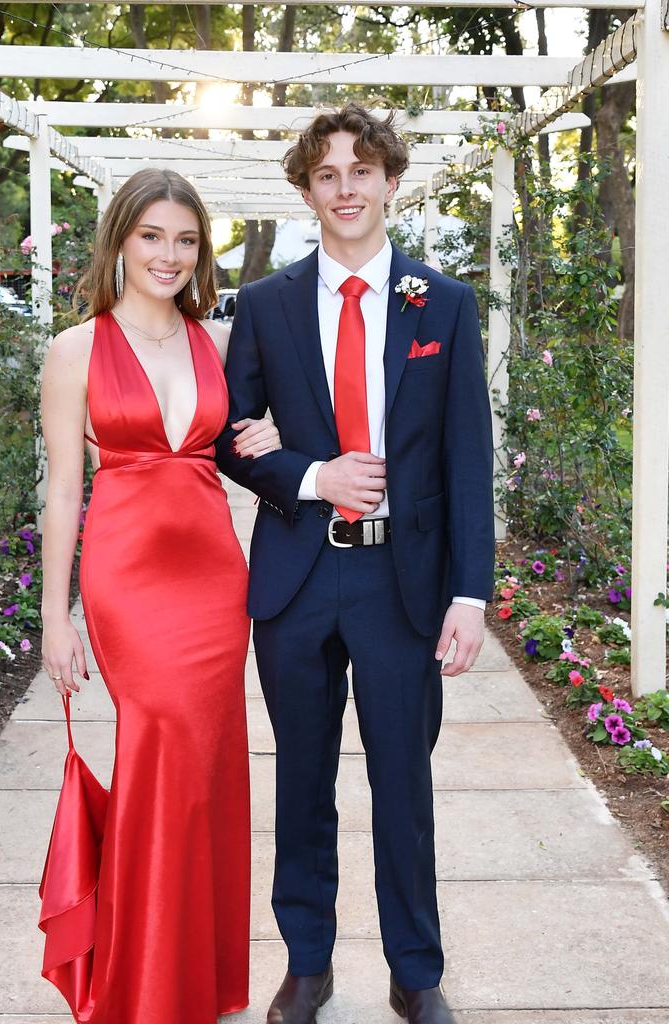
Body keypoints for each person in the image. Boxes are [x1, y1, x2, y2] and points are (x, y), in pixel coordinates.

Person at [215, 105, 495, 1024]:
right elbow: (232, 439)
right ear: (306, 190)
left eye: (362, 171)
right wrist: (310, 472)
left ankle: (416, 972)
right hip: (296, 581)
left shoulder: (442, 305)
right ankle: (307, 962)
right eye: (327, 174)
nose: (346, 189)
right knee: (301, 784)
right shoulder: (262, 306)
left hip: (401, 587)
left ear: (389, 184)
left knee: (402, 789)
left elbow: (466, 457)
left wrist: (470, 593)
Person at [39, 167, 281, 1024]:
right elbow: (65, 490)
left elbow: (245, 445)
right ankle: (143, 984)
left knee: (208, 764)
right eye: (152, 236)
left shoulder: (219, 341)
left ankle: (196, 976)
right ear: (120, 241)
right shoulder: (75, 350)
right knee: (160, 745)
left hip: (216, 576)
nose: (170, 255)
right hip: (129, 578)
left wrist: (270, 433)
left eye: (186, 239)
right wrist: (53, 615)